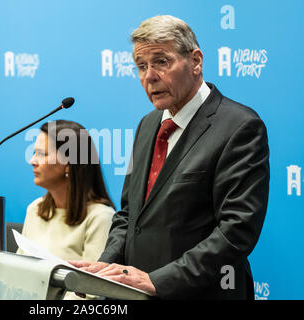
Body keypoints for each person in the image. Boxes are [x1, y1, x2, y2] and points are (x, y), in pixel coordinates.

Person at [69, 15, 269, 300]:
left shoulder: (239, 127)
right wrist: (108, 263)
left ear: (196, 61)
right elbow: (129, 215)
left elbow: (236, 232)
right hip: (137, 293)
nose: (149, 76)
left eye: (161, 62)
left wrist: (158, 281)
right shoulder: (148, 125)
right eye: (141, 66)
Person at [17, 120, 116, 298]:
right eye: (34, 153)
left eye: (42, 154)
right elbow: (17, 273)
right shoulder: (35, 209)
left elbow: (89, 293)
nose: (32, 161)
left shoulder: (101, 217)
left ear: (68, 163)